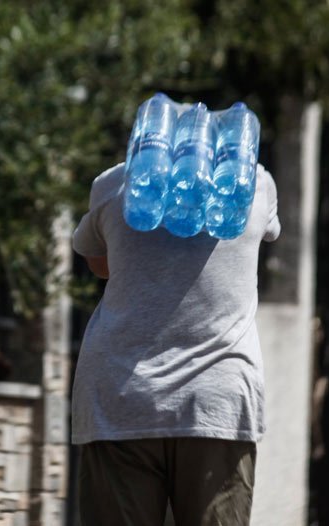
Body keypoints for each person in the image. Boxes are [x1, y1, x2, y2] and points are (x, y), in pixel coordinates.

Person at [71, 161, 281, 526]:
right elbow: (267, 235)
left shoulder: (115, 183)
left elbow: (99, 263)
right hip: (216, 401)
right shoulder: (254, 183)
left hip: (122, 394)